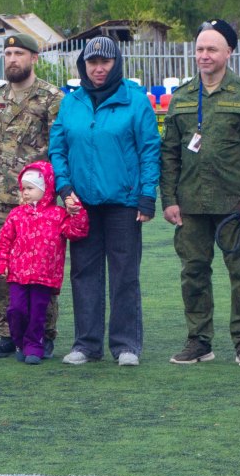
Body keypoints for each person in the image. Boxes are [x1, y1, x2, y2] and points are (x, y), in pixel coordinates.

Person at [161, 19, 240, 367]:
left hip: (235, 204)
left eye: (212, 49)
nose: (204, 55)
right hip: (191, 203)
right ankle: (199, 340)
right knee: (193, 272)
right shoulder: (182, 97)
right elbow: (170, 153)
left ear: (228, 53)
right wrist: (170, 200)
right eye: (200, 49)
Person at [49, 36, 160, 367]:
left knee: (125, 274)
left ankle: (126, 344)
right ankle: (87, 343)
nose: (98, 69)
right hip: (80, 204)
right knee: (84, 273)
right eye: (91, 63)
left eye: (105, 62)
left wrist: (147, 196)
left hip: (124, 203)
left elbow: (150, 150)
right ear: (83, 66)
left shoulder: (136, 101)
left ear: (117, 64)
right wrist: (65, 187)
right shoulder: (71, 103)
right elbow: (58, 148)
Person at [0, 33, 64, 359]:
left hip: (39, 205)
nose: (12, 59)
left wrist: (59, 194)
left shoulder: (51, 98)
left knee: (41, 272)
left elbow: (60, 148)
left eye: (19, 53)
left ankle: (43, 333)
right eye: (8, 53)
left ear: (34, 58)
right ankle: (7, 332)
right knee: (2, 267)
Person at [0, 161, 88, 365]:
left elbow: (76, 232)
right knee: (16, 309)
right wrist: (2, 265)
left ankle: (34, 346)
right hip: (18, 274)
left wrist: (78, 211)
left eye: (30, 188)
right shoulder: (16, 215)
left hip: (44, 275)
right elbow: (4, 243)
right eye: (23, 189)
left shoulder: (58, 214)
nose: (25, 193)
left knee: (38, 313)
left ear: (45, 189)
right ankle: (20, 342)